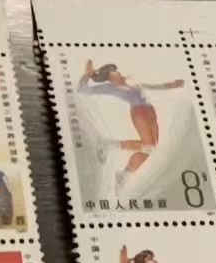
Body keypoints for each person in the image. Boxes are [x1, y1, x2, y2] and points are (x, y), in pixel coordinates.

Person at [78, 61, 185, 192]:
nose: (117, 74)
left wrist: (170, 85)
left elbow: (148, 87)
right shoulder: (110, 87)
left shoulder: (131, 79)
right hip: (139, 113)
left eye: (116, 71)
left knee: (150, 149)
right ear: (109, 78)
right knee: (149, 147)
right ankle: (110, 145)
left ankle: (123, 175)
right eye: (112, 73)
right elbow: (82, 90)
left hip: (150, 111)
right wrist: (87, 75)